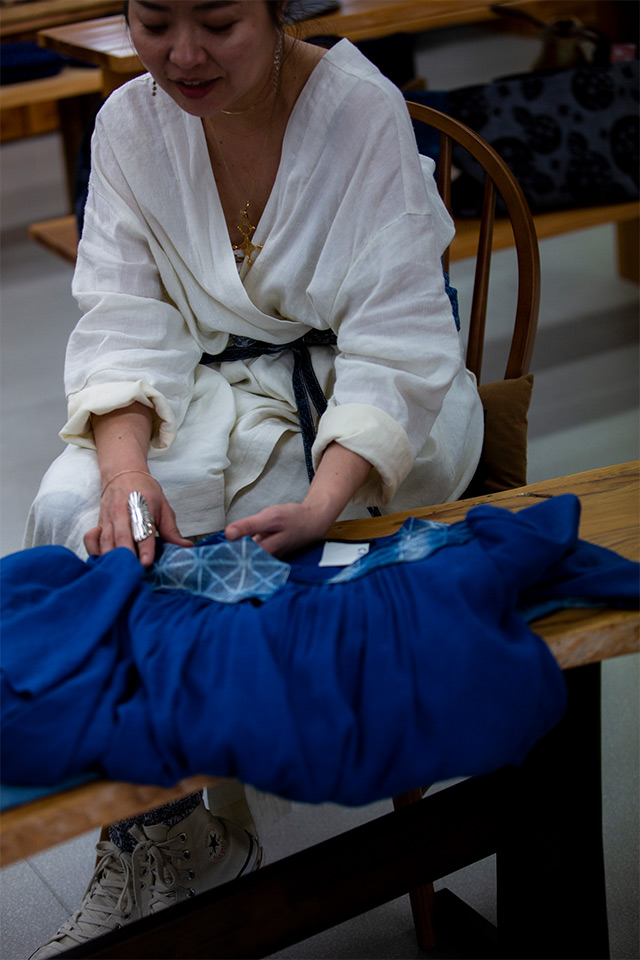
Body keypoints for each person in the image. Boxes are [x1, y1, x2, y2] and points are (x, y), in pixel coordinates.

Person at [25, 0, 484, 955]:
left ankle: (200, 820)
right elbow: (122, 317)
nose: (182, 55)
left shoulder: (357, 108)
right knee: (79, 511)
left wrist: (324, 500)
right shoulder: (129, 123)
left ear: (280, 9)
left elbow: (398, 336)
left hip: (363, 400)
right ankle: (168, 828)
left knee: (235, 534)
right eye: (154, 23)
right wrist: (124, 471)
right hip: (203, 388)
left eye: (219, 23)